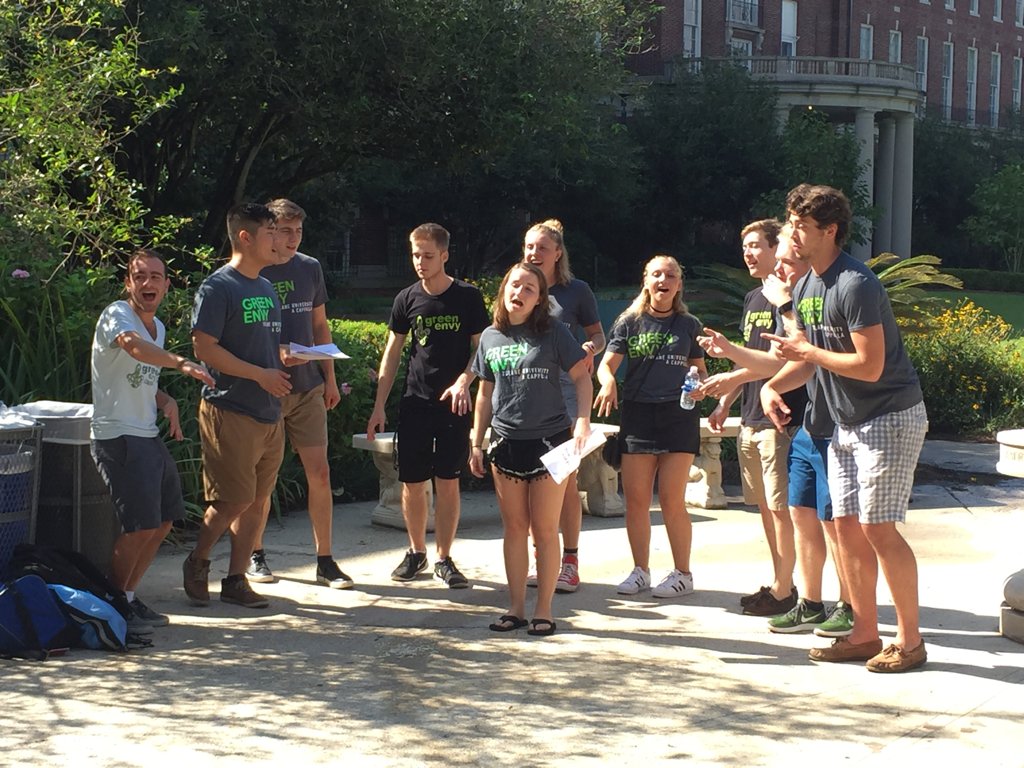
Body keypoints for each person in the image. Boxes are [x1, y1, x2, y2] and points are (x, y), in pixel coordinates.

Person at [761, 183, 929, 673]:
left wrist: (807, 353)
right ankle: (863, 633)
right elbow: (809, 362)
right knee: (845, 526)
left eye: (800, 225)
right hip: (846, 425)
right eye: (790, 221)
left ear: (829, 231)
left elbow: (868, 365)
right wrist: (774, 385)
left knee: (878, 528)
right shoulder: (810, 284)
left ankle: (911, 641)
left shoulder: (855, 283)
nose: (791, 231)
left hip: (889, 416)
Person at [700, 231, 853, 636]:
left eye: (783, 257)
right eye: (744, 247)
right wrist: (733, 379)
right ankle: (805, 600)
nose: (778, 266)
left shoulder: (819, 294)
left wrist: (784, 307)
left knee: (832, 520)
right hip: (796, 424)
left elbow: (797, 356)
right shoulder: (766, 298)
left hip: (813, 423)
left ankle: (850, 606)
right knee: (795, 514)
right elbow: (777, 362)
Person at [90, 249, 214, 630]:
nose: (148, 283)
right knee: (140, 526)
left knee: (162, 522)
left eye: (155, 277)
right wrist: (179, 362)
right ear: (128, 283)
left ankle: (126, 598)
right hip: (118, 434)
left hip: (147, 432)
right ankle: (111, 602)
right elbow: (131, 347)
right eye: (140, 276)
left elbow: (143, 377)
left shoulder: (157, 327)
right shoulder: (117, 315)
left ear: (166, 285)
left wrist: (166, 401)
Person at [469, 262, 592, 636]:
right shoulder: (491, 337)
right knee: (514, 529)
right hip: (505, 444)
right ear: (503, 290)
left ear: (539, 300)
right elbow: (484, 393)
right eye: (514, 285)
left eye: (529, 289)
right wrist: (477, 442)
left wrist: (582, 419)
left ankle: (544, 609)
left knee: (544, 529)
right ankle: (516, 607)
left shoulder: (554, 333)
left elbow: (582, 378)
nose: (519, 293)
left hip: (551, 444)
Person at [366, 223, 490, 589]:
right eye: (415, 254)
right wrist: (378, 406)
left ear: (445, 256)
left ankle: (444, 558)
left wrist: (465, 380)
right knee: (412, 482)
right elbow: (392, 354)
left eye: (428, 255)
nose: (420, 262)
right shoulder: (406, 298)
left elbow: (482, 349)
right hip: (414, 402)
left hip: (454, 404)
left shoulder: (467, 297)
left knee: (448, 481)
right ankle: (416, 551)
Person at [183, 202, 291, 609]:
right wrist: (258, 374)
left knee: (257, 501)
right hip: (229, 408)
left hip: (268, 411)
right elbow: (204, 348)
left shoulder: (265, 287)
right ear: (245, 237)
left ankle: (236, 579)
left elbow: (258, 347)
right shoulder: (218, 287)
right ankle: (198, 561)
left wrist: (283, 358)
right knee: (234, 499)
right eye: (271, 232)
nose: (279, 240)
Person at [241, 198, 353, 590]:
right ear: (269, 231)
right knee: (261, 480)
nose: (292, 238)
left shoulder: (310, 268)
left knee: (320, 473)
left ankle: (325, 560)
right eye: (285, 231)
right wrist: (274, 356)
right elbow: (239, 335)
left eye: (298, 231)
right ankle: (254, 554)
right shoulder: (254, 269)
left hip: (308, 388)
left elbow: (320, 326)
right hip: (266, 389)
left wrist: (330, 378)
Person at [700, 219, 803, 617]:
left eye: (756, 245)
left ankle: (788, 590)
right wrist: (727, 400)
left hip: (780, 420)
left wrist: (730, 371)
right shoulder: (752, 298)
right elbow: (749, 355)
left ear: (777, 248)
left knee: (782, 511)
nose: (748, 253)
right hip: (750, 419)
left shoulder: (786, 298)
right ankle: (780, 583)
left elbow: (780, 360)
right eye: (744, 246)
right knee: (763, 508)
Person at [594, 255, 707, 598]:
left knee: (673, 500)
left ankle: (683, 574)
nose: (663, 280)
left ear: (678, 284)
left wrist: (699, 383)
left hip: (678, 416)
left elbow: (699, 370)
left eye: (670, 275)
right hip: (638, 416)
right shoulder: (629, 322)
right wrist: (608, 383)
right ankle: (640, 570)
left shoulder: (689, 324)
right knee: (637, 501)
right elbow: (606, 367)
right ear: (646, 281)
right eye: (656, 274)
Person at [522, 219, 605, 593]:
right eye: (528, 247)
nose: (533, 254)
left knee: (564, 481)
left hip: (567, 392)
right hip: (526, 394)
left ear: (557, 254)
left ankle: (569, 561)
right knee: (527, 481)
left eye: (541, 248)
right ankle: (541, 559)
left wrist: (590, 350)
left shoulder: (577, 292)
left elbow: (599, 335)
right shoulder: (519, 288)